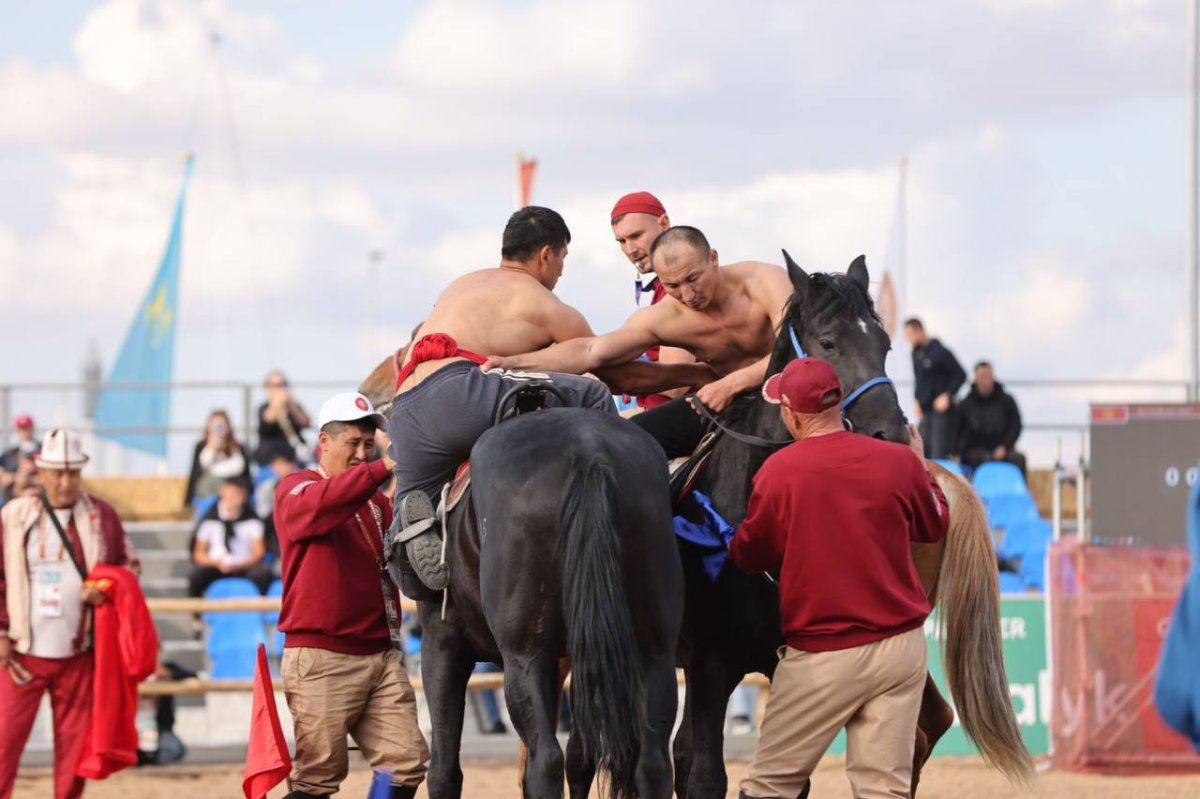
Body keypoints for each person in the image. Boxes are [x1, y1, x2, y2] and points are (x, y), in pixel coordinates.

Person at [386, 206, 710, 593]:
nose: (560, 272)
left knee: (414, 528)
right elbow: (620, 374)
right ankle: (618, 515)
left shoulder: (461, 284)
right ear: (546, 254)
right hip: (464, 392)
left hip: (406, 408)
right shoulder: (544, 303)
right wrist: (699, 373)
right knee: (589, 392)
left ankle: (407, 546)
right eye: (562, 260)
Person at [728, 358, 949, 799]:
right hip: (901, 649)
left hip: (824, 654)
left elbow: (749, 556)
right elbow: (934, 526)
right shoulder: (898, 463)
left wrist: (731, 535)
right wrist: (922, 468)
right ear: (839, 403)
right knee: (883, 789)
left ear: (790, 415)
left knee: (769, 786)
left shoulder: (779, 471)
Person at [484, 225, 792, 459]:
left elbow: (794, 349)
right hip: (721, 401)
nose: (687, 295)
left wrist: (732, 383)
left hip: (790, 392)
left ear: (713, 259)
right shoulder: (663, 316)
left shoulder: (764, 280)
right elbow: (590, 350)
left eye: (693, 278)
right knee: (624, 443)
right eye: (672, 285)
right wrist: (511, 362)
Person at [275, 392, 428, 799]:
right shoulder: (297, 486)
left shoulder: (377, 502)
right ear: (323, 443)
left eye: (368, 444)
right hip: (321, 658)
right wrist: (383, 468)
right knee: (317, 778)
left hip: (378, 654)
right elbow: (316, 508)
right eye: (353, 443)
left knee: (405, 764)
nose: (363, 453)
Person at [0, 429, 136, 799]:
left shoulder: (102, 516)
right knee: (2, 748)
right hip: (21, 656)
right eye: (57, 473)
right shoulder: (14, 515)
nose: (65, 481)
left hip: (79, 656)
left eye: (73, 473)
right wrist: (1, 636)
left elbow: (128, 567)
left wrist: (104, 588)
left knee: (73, 759)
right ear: (41, 471)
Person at [610, 191, 694, 410]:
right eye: (621, 241)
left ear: (664, 224)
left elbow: (676, 385)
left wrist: (620, 381)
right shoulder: (662, 287)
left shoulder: (682, 289)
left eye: (636, 236)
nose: (630, 250)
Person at [188, 476, 273, 598]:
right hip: (216, 565)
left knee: (262, 575)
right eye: (231, 493)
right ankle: (198, 614)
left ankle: (262, 613)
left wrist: (241, 564)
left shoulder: (252, 521)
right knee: (196, 576)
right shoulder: (209, 521)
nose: (234, 498)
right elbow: (199, 553)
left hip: (243, 565)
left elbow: (259, 552)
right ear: (222, 492)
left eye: (238, 494)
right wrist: (217, 563)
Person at [903, 317, 966, 459]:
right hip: (926, 413)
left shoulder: (941, 351)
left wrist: (947, 395)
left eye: (910, 335)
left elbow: (961, 375)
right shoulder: (915, 354)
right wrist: (916, 399)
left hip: (942, 413)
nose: (908, 339)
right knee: (919, 449)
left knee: (939, 454)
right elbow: (918, 379)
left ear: (919, 331)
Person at [957, 361, 1027, 478]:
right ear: (976, 379)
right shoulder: (965, 405)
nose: (985, 381)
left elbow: (1016, 426)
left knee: (1019, 459)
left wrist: (1005, 446)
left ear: (993, 377)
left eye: (988, 376)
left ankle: (1019, 494)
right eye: (981, 376)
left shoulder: (1007, 401)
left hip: (1003, 449)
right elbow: (958, 432)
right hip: (974, 452)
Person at [184, 410, 251, 512]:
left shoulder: (238, 448)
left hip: (234, 488)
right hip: (209, 490)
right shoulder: (201, 447)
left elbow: (244, 472)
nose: (219, 428)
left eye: (222, 424)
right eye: (215, 424)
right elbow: (196, 472)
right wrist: (212, 448)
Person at [255, 370, 311, 466]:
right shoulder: (263, 408)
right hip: (271, 462)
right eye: (277, 385)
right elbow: (268, 420)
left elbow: (306, 422)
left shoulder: (294, 407)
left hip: (295, 460)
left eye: (284, 384)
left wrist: (291, 405)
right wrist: (278, 403)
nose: (281, 388)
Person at [0, 415, 39, 499]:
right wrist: (17, 477)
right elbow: (3, 476)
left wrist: (30, 479)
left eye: (27, 428)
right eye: (21, 428)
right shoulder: (9, 454)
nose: (24, 431)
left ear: (32, 428)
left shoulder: (44, 450)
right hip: (15, 497)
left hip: (38, 495)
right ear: (17, 431)